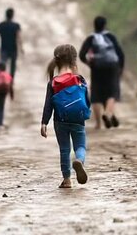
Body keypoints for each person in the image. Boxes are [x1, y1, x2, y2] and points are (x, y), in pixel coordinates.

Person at [41, 44, 90, 188]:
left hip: (60, 121)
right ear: (74, 61)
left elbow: (48, 105)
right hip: (78, 119)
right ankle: (79, 161)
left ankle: (67, 180)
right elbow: (86, 100)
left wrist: (44, 123)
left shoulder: (53, 83)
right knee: (80, 146)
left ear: (56, 62)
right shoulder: (79, 79)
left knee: (64, 149)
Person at [79, 16, 124, 129]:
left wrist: (89, 63)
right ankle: (108, 114)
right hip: (112, 67)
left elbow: (81, 54)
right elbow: (120, 53)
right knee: (112, 92)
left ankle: (98, 123)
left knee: (96, 94)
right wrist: (121, 68)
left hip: (97, 67)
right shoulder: (110, 36)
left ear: (94, 25)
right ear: (105, 25)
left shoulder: (91, 38)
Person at [0, 8, 23, 77]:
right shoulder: (16, 25)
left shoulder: (0, 25)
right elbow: (19, 37)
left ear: (6, 15)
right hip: (13, 48)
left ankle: (1, 79)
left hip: (4, 48)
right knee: (13, 66)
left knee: (3, 64)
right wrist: (21, 48)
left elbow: (0, 34)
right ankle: (11, 81)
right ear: (12, 15)